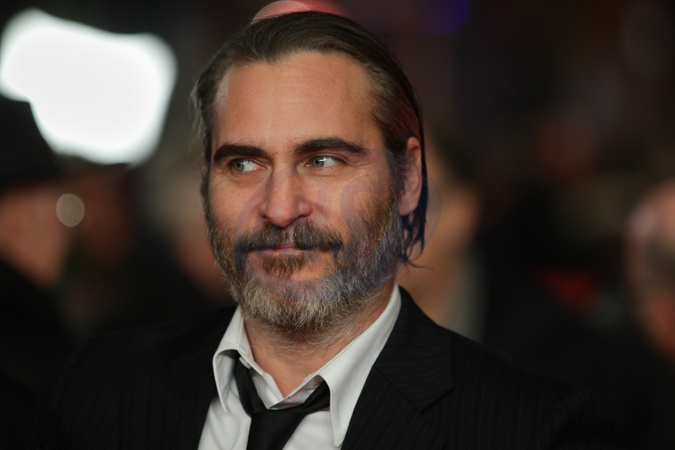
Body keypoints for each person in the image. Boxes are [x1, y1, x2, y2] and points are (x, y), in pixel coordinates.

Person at [36, 11, 621, 449]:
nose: (280, 207)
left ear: (409, 181)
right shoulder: (101, 384)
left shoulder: (531, 429)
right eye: (244, 164)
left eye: (322, 161)